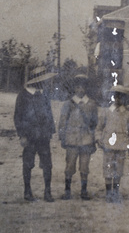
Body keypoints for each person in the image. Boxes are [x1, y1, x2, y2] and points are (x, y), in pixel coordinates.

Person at [14, 66, 57, 202]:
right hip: (29, 136)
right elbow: (17, 117)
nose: (44, 83)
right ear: (35, 81)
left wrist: (50, 131)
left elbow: (49, 114)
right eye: (42, 81)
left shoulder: (44, 95)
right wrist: (22, 135)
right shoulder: (23, 95)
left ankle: (47, 191)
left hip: (43, 136)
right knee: (28, 163)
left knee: (47, 164)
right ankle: (27, 191)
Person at [58, 74, 98, 200]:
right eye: (78, 87)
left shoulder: (92, 104)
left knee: (84, 166)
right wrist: (62, 137)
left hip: (86, 139)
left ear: (86, 89)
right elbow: (62, 121)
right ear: (74, 88)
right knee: (69, 166)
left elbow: (94, 122)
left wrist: (92, 138)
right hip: (71, 139)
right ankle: (67, 191)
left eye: (83, 87)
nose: (80, 90)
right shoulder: (68, 104)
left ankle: (84, 191)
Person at [95, 85, 129, 203]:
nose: (118, 99)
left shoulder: (128, 114)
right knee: (108, 168)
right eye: (116, 96)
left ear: (124, 99)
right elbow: (98, 128)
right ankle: (108, 193)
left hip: (121, 144)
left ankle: (115, 193)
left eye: (121, 97)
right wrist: (98, 139)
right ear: (112, 97)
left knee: (118, 169)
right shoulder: (106, 112)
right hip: (108, 144)